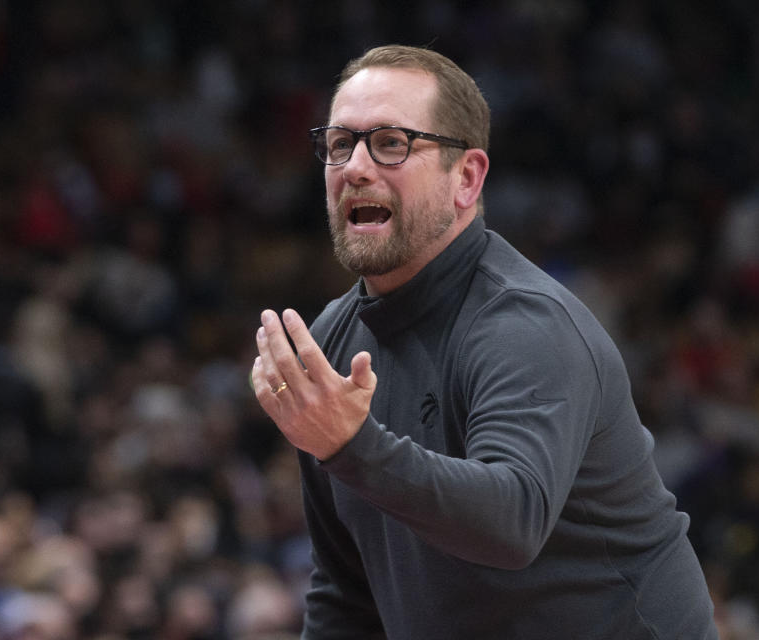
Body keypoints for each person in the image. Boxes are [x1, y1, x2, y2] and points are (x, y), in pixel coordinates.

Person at [251, 44, 718, 639]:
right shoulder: (330, 342)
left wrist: (352, 446)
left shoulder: (527, 325)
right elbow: (347, 590)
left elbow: (511, 523)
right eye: (341, 144)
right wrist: (347, 446)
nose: (355, 167)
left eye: (391, 142)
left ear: (466, 178)